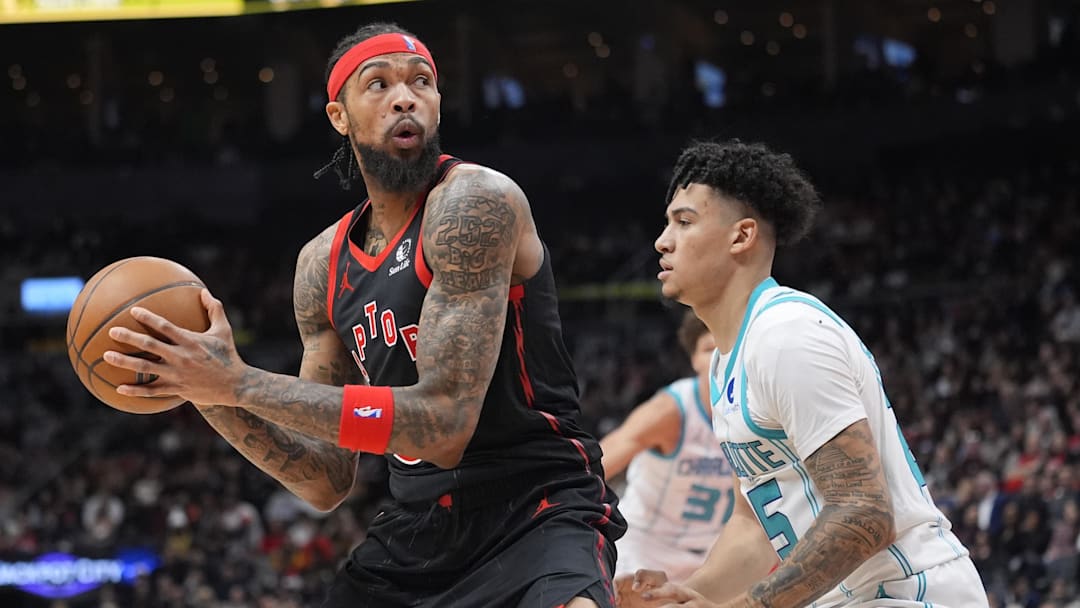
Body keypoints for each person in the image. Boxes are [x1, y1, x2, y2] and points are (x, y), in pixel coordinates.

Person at [103, 22, 625, 608]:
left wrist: (239, 382)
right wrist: (203, 387)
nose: (404, 96)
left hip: (538, 507)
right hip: (416, 531)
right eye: (377, 84)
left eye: (420, 82)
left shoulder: (474, 202)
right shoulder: (321, 265)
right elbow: (324, 478)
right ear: (339, 116)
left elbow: (446, 425)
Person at [616, 140, 988, 607]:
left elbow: (863, 513)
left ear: (741, 236)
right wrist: (686, 596)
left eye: (684, 222)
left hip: (905, 590)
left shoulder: (786, 335)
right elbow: (754, 527)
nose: (662, 240)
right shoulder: (726, 362)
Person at [600, 310, 735, 582]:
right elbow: (598, 463)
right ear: (694, 359)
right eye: (709, 349)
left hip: (713, 559)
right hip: (643, 553)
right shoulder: (671, 411)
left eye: (729, 349)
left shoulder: (761, 414)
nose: (720, 359)